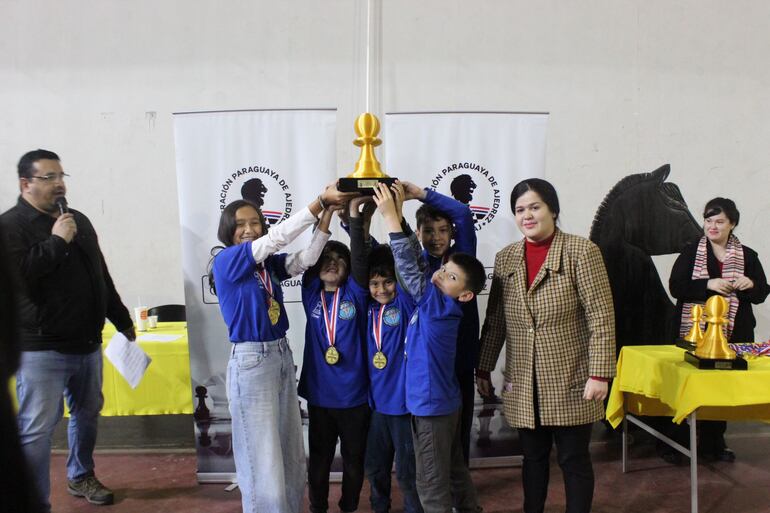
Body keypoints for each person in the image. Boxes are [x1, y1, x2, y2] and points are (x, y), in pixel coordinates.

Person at [0, 149, 136, 512]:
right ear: (25, 183)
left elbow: (99, 275)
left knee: (87, 413)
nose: (59, 184)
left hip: (87, 344)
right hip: (40, 349)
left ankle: (81, 474)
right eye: (48, 177)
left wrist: (121, 319)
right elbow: (18, 277)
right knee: (36, 431)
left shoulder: (79, 220)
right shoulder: (10, 226)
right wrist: (57, 242)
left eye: (61, 176)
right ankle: (33, 502)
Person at [210, 184, 354, 513]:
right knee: (263, 460)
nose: (248, 230)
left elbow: (307, 259)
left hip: (279, 355)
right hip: (251, 361)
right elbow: (276, 240)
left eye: (255, 223)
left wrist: (328, 214)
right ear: (228, 231)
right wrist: (319, 203)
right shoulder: (228, 261)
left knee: (289, 451)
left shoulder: (266, 265)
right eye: (240, 224)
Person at [476, 178, 616, 513]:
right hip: (523, 381)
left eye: (535, 206)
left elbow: (601, 317)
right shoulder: (507, 258)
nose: (527, 215)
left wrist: (600, 374)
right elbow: (496, 320)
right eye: (520, 209)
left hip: (572, 378)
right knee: (532, 458)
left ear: (552, 209)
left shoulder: (582, 251)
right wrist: (483, 366)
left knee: (573, 458)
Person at [373, 182, 485, 513]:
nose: (440, 275)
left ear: (465, 295)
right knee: (453, 470)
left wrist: (392, 218)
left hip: (432, 402)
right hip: (440, 397)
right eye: (444, 270)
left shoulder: (437, 306)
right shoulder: (442, 298)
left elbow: (409, 268)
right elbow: (416, 265)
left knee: (431, 483)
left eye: (449, 276)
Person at [669, 197, 769, 462]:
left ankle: (714, 444)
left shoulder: (747, 255)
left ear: (732, 224)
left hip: (735, 332)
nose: (712, 226)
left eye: (719, 221)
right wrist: (708, 284)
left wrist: (750, 284)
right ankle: (678, 445)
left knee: (720, 388)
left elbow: (762, 293)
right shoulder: (691, 251)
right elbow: (676, 287)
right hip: (695, 331)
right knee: (689, 384)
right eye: (708, 220)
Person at [347, 196, 422, 513]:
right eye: (375, 284)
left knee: (407, 474)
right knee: (375, 469)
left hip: (404, 409)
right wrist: (355, 218)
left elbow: (406, 268)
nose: (381, 290)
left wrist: (394, 215)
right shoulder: (367, 307)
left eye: (387, 282)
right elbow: (360, 262)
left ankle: (414, 510)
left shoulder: (405, 304)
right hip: (377, 408)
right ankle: (380, 507)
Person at [298, 228, 370, 513]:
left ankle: (349, 506)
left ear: (350, 269)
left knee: (354, 460)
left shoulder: (356, 295)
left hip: (354, 399)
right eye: (327, 257)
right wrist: (325, 216)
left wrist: (353, 217)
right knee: (319, 460)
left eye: (340, 258)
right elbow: (311, 256)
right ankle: (318, 507)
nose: (332, 261)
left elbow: (360, 259)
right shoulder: (311, 294)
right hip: (320, 398)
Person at [408, 181, 479, 465]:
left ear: (451, 233)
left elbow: (462, 213)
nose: (436, 237)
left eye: (442, 230)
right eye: (428, 231)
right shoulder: (417, 265)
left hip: (460, 358)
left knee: (459, 429)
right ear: (418, 233)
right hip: (427, 365)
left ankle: (458, 485)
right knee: (429, 431)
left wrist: (419, 194)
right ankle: (433, 482)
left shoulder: (461, 260)